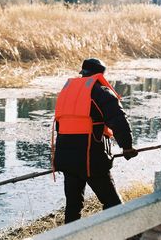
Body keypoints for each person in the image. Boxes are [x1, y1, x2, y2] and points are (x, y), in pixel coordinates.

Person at [52, 58, 138, 224]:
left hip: (66, 159)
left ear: (82, 73)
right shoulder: (101, 92)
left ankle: (70, 236)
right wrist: (127, 147)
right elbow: (118, 120)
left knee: (73, 206)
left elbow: (59, 126)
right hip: (91, 160)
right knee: (113, 205)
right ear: (100, 74)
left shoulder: (67, 92)